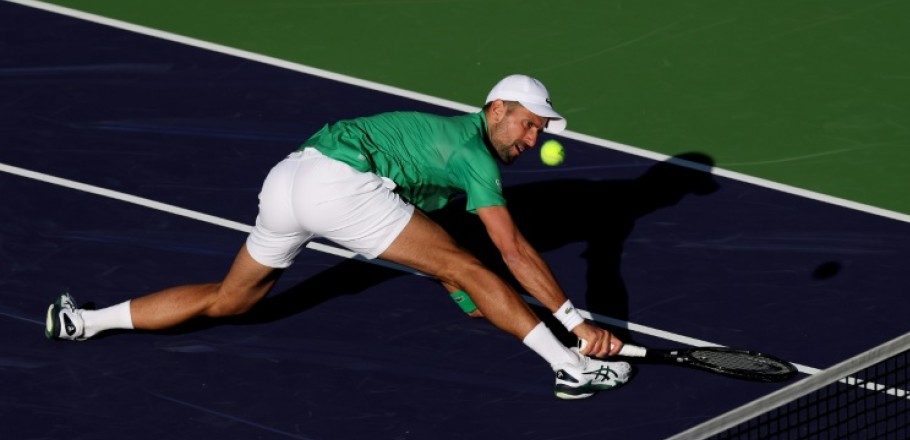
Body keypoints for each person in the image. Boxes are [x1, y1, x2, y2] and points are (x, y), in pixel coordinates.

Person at [44, 74, 631, 400]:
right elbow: (511, 251)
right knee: (478, 270)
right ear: (496, 107)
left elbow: (429, 228)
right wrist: (575, 325)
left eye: (539, 131)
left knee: (233, 299)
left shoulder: (444, 143)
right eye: (528, 123)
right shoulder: (475, 157)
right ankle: (569, 369)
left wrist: (463, 291)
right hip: (338, 185)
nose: (532, 138)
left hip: (290, 176)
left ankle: (85, 322)